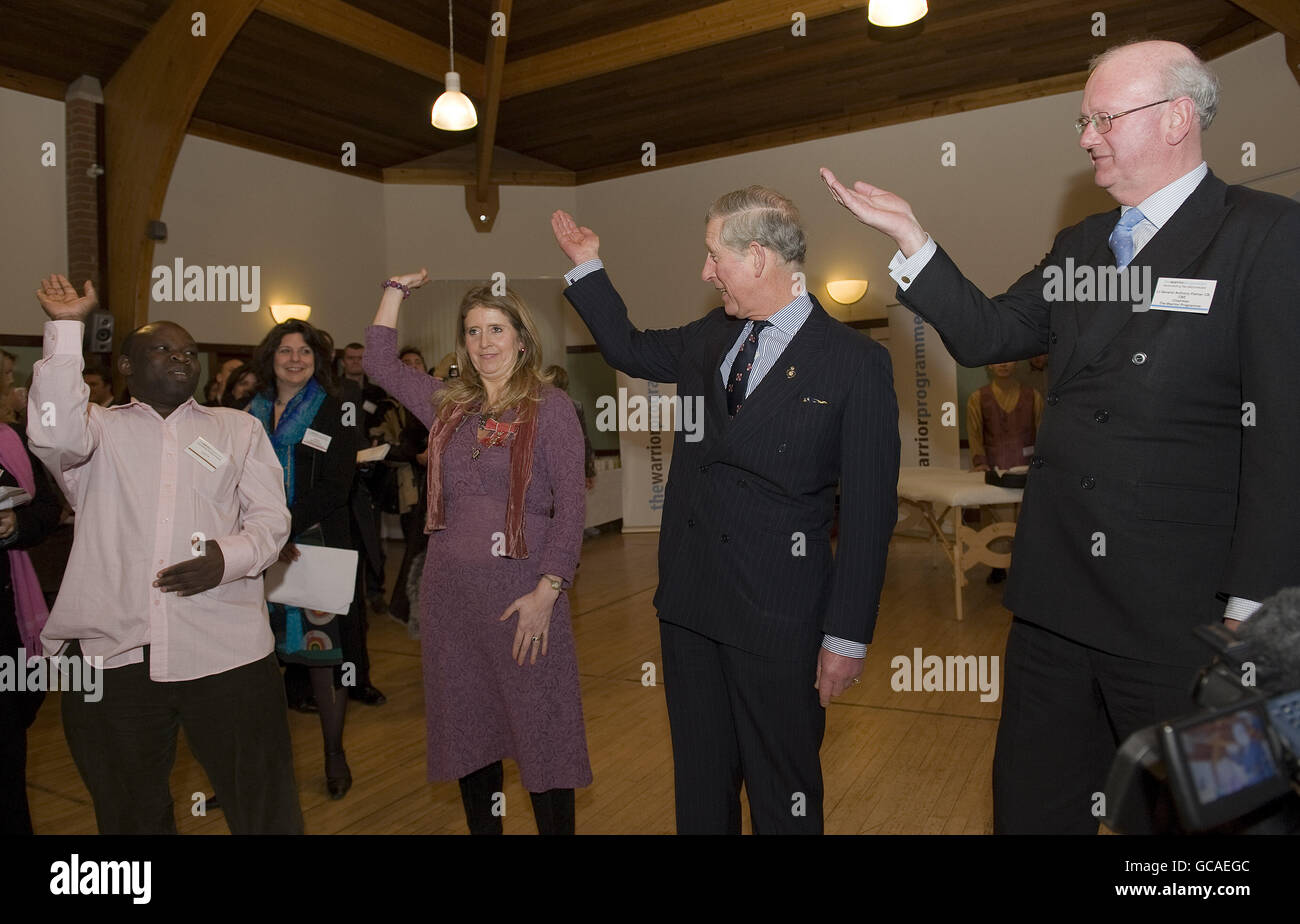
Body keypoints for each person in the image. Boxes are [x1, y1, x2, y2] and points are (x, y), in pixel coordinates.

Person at [821, 39, 1300, 834]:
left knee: (1215, 830)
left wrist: (1253, 613)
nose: (1086, 137)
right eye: (1084, 120)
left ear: (1178, 117)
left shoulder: (1267, 235)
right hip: (1054, 603)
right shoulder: (1082, 246)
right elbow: (989, 333)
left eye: (1105, 117)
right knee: (1033, 812)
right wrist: (913, 239)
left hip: (1188, 619)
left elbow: (1286, 436)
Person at [551, 186, 900, 835]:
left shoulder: (854, 364)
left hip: (781, 618)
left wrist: (846, 636)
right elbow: (627, 347)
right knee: (702, 789)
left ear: (760, 257)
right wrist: (586, 265)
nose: (705, 272)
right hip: (690, 608)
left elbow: (870, 516)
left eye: (715, 256)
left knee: (782, 791)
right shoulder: (711, 336)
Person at [27, 274, 300, 834]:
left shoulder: (237, 430)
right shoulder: (94, 434)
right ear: (126, 366)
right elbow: (52, 433)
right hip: (117, 655)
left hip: (225, 651)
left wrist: (227, 558)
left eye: (188, 352)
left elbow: (273, 522)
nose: (181, 358)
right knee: (130, 815)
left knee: (263, 805)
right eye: (163, 349)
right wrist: (64, 328)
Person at [364, 276, 589, 835]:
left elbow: (571, 511)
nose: (484, 342)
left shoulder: (551, 408)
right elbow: (379, 362)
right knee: (470, 735)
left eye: (496, 329)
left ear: (520, 339)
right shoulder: (448, 405)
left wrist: (548, 590)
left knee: (542, 737)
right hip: (452, 600)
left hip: (525, 597)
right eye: (472, 332)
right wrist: (394, 289)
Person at [248, 320, 361, 797]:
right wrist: (264, 534)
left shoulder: (337, 411)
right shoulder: (245, 413)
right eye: (285, 350)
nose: (295, 359)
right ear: (270, 357)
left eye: (305, 353)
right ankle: (256, 771)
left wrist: (283, 526)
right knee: (253, 663)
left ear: (318, 361)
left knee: (323, 659)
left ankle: (334, 755)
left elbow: (338, 486)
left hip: (312, 546)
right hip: (254, 553)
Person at [0, 393, 61, 834]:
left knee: (8, 746)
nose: (12, 391)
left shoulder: (12, 443)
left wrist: (15, 525)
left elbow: (46, 508)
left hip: (5, 620)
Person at [377, 347, 431, 626]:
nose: (412, 366)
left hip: (439, 484)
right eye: (406, 363)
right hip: (410, 487)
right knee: (416, 545)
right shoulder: (390, 404)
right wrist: (416, 454)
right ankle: (413, 606)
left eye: (416, 361)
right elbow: (396, 441)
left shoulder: (438, 394)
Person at [967, 362, 1042, 475]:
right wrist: (979, 463)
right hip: (991, 473)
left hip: (1028, 472)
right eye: (997, 359)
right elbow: (975, 435)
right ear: (989, 365)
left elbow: (1043, 435)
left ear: (1016, 363)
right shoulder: (977, 398)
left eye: (1009, 359)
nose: (1003, 364)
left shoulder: (1034, 397)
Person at [544, 365, 597, 492]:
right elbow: (584, 440)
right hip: (567, 467)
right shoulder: (576, 406)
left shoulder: (539, 407)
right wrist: (589, 472)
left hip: (548, 467)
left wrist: (588, 472)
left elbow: (583, 440)